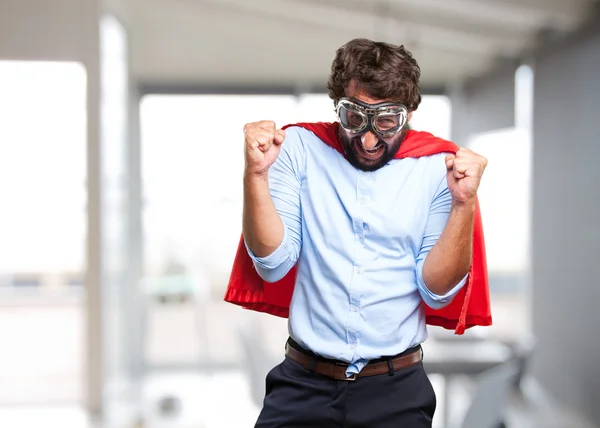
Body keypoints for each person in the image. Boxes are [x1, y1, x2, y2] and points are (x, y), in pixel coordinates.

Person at [229, 38, 490, 427]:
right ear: (337, 104)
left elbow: (436, 290)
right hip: (302, 384)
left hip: (397, 390)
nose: (368, 140)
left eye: (386, 122)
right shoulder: (298, 147)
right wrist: (256, 175)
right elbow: (272, 264)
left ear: (410, 112)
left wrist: (463, 204)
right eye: (354, 118)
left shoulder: (439, 167)